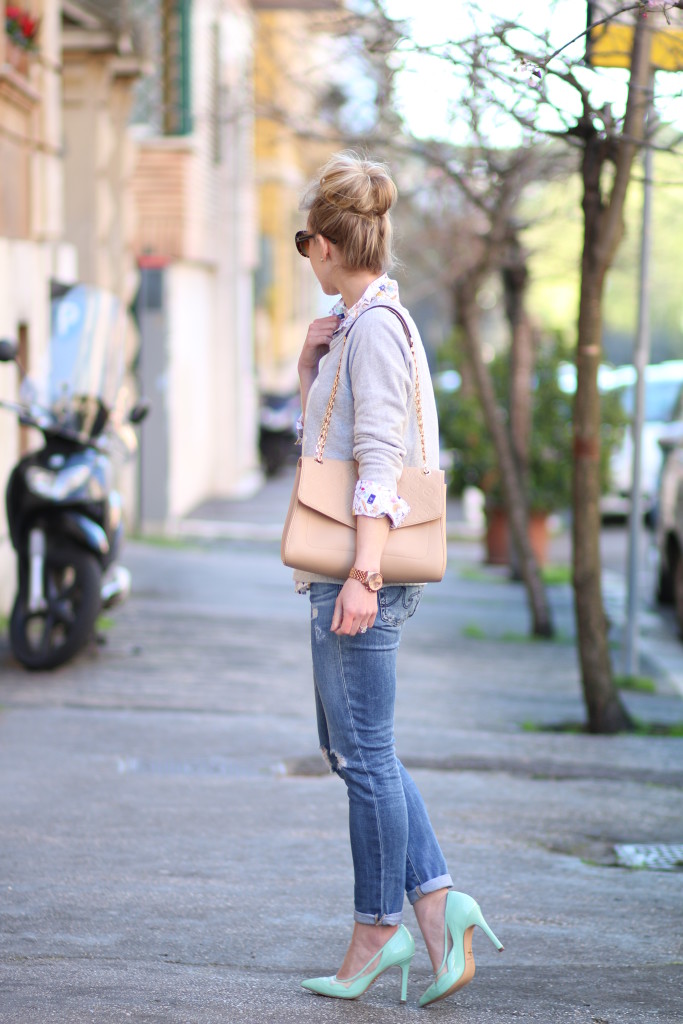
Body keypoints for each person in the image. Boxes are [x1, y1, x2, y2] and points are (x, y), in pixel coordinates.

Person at [293, 151, 503, 1006]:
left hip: (360, 567)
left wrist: (363, 573)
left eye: (303, 237)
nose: (302, 252)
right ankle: (438, 907)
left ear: (329, 245)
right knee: (358, 750)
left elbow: (378, 460)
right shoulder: (364, 322)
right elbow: (338, 440)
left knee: (363, 755)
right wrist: (310, 370)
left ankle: (376, 929)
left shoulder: (375, 327)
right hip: (355, 565)